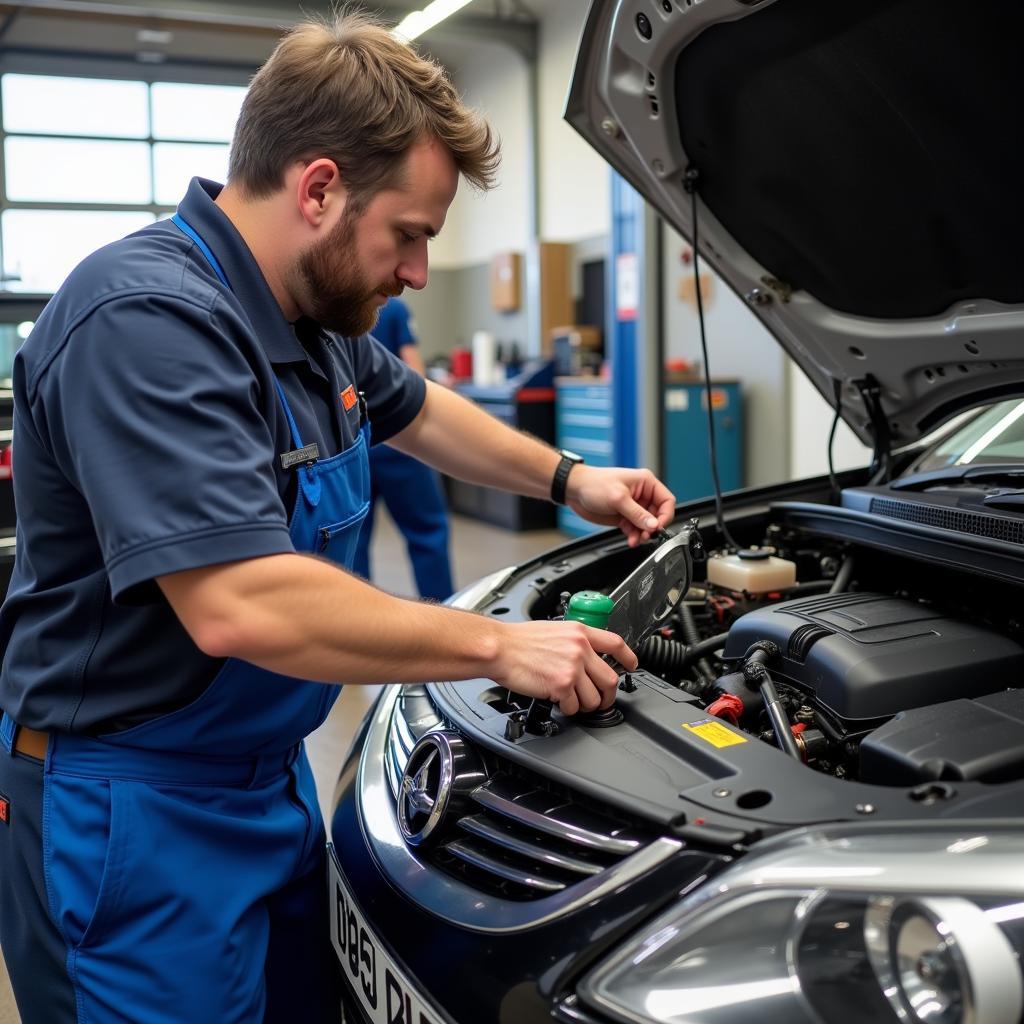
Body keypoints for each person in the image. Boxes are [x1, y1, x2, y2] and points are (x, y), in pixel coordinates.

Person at [0, 13, 675, 1024]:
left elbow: (417, 409)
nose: (414, 274)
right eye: (408, 236)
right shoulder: (143, 321)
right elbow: (243, 604)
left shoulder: (309, 321)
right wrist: (497, 644)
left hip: (264, 782)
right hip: (127, 808)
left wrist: (570, 477)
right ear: (318, 189)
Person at [353, 295, 454, 600]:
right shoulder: (394, 309)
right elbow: (414, 374)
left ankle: (358, 625)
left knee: (355, 539)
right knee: (427, 533)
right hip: (398, 443)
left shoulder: (338, 310)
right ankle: (445, 613)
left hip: (355, 441)